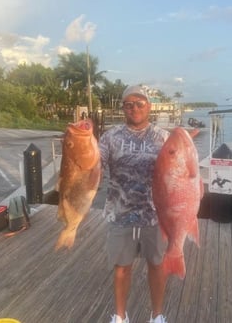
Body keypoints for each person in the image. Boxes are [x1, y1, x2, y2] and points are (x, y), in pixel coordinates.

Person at [99, 84, 170, 323]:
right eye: (129, 104)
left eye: (140, 103)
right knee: (121, 268)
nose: (135, 108)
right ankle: (120, 316)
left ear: (149, 106)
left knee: (157, 265)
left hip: (155, 214)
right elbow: (95, 167)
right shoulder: (110, 136)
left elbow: (178, 171)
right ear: (123, 108)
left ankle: (157, 315)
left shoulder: (163, 137)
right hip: (120, 212)